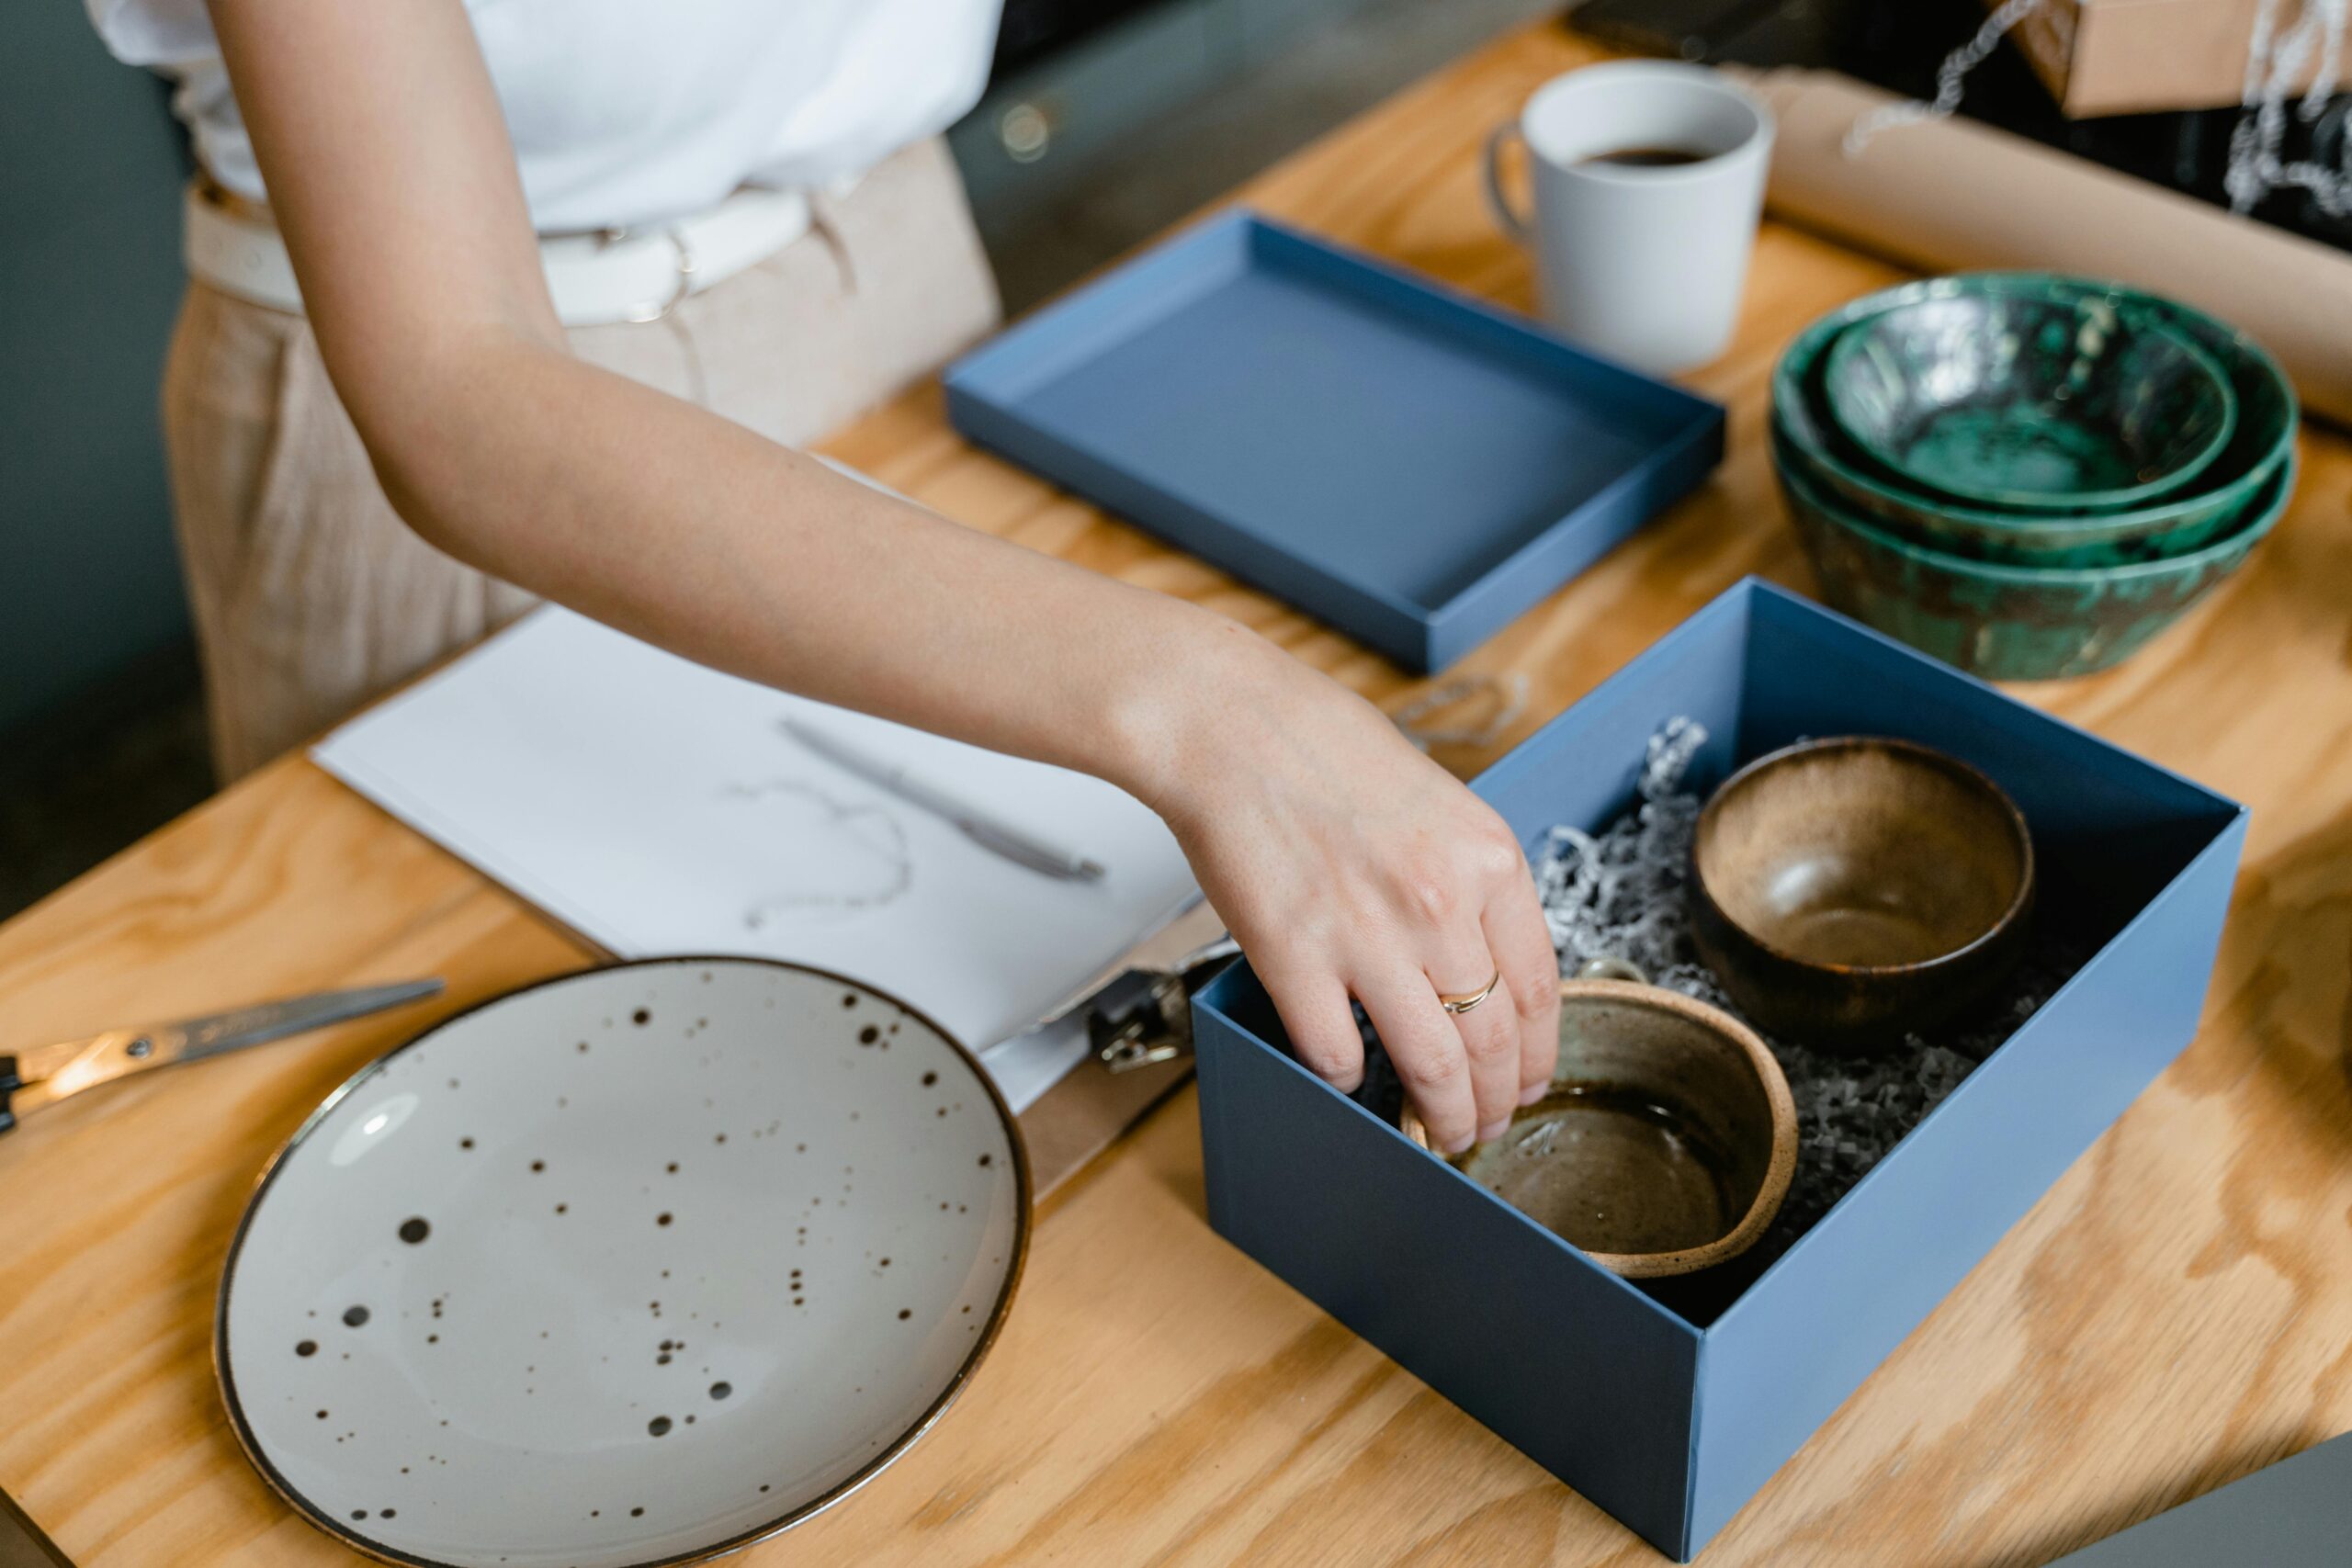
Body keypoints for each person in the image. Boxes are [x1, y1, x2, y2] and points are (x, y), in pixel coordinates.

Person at [83, 0, 1561, 1154]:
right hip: (483, 418)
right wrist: (1215, 707)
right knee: (582, 1152)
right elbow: (455, 391)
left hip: (886, 265)